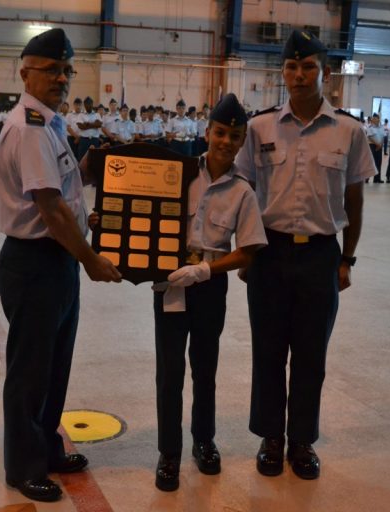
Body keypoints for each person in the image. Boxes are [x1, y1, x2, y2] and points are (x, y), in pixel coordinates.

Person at [235, 30, 376, 480]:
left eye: (308, 66)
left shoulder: (349, 130)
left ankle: (301, 442)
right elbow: (243, 192)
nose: (298, 74)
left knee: (311, 354)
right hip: (270, 255)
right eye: (291, 67)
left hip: (319, 255)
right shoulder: (259, 128)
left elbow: (353, 200)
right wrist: (245, 252)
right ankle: (271, 439)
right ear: (283, 72)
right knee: (269, 351)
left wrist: (347, 258)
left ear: (325, 73)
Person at [0, 28, 121, 503]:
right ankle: (23, 467)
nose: (62, 78)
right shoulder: (29, 127)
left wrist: (88, 168)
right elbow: (49, 208)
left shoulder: (51, 124)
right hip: (36, 263)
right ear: (25, 70)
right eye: (51, 69)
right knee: (29, 371)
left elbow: (64, 188)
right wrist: (89, 259)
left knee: (53, 367)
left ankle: (46, 448)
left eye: (67, 70)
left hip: (56, 262)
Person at [145, 93, 267, 492]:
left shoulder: (243, 192)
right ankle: (169, 453)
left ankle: (203, 441)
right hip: (170, 282)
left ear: (243, 139)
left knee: (205, 368)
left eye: (235, 135)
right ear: (206, 131)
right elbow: (143, 208)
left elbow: (248, 251)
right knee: (169, 372)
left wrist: (207, 269)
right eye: (220, 132)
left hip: (210, 286)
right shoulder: (178, 172)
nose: (226, 141)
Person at [365, 114, 384, 182]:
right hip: (372, 146)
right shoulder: (370, 127)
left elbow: (383, 136)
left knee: (379, 162)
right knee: (370, 162)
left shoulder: (382, 127)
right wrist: (377, 144)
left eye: (376, 118)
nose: (374, 119)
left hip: (380, 146)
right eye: (373, 118)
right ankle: (366, 178)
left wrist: (380, 144)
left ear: (379, 119)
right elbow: (369, 137)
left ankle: (377, 179)